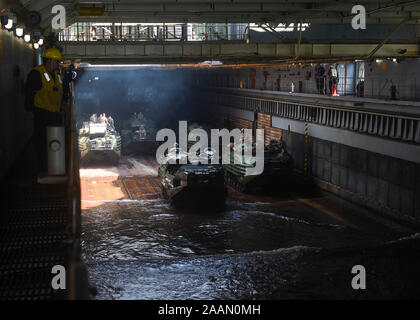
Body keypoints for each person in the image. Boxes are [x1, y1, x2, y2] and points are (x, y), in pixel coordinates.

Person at [25, 47, 64, 174]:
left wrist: (65, 103)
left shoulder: (58, 74)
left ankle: (55, 165)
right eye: (57, 61)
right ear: (49, 61)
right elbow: (29, 93)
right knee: (41, 141)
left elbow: (61, 91)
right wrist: (30, 110)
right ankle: (42, 168)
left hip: (55, 113)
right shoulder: (36, 74)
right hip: (42, 113)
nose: (59, 64)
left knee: (55, 140)